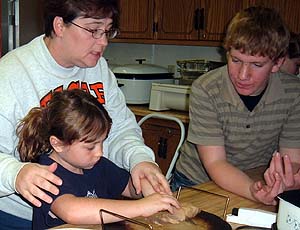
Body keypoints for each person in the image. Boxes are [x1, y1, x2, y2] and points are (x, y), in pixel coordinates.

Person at [0, 1, 171, 228]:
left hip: (92, 213)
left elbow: (121, 129)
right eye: (93, 30)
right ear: (60, 25)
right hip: (19, 219)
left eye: (108, 31)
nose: (104, 42)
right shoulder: (11, 74)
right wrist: (15, 174)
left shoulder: (99, 68)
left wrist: (140, 161)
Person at [171, 6, 300, 205]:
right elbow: (216, 163)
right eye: (236, 60)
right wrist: (252, 191)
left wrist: (283, 178)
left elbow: (290, 158)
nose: (242, 75)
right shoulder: (206, 89)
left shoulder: (294, 93)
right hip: (196, 183)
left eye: (256, 65)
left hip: (255, 178)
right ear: (227, 52)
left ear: (277, 63)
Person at [16, 89, 179, 229]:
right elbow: (72, 211)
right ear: (57, 144)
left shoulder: (96, 164)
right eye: (90, 146)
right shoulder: (44, 174)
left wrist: (149, 190)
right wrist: (141, 207)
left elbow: (130, 188)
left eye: (102, 142)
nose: (99, 152)